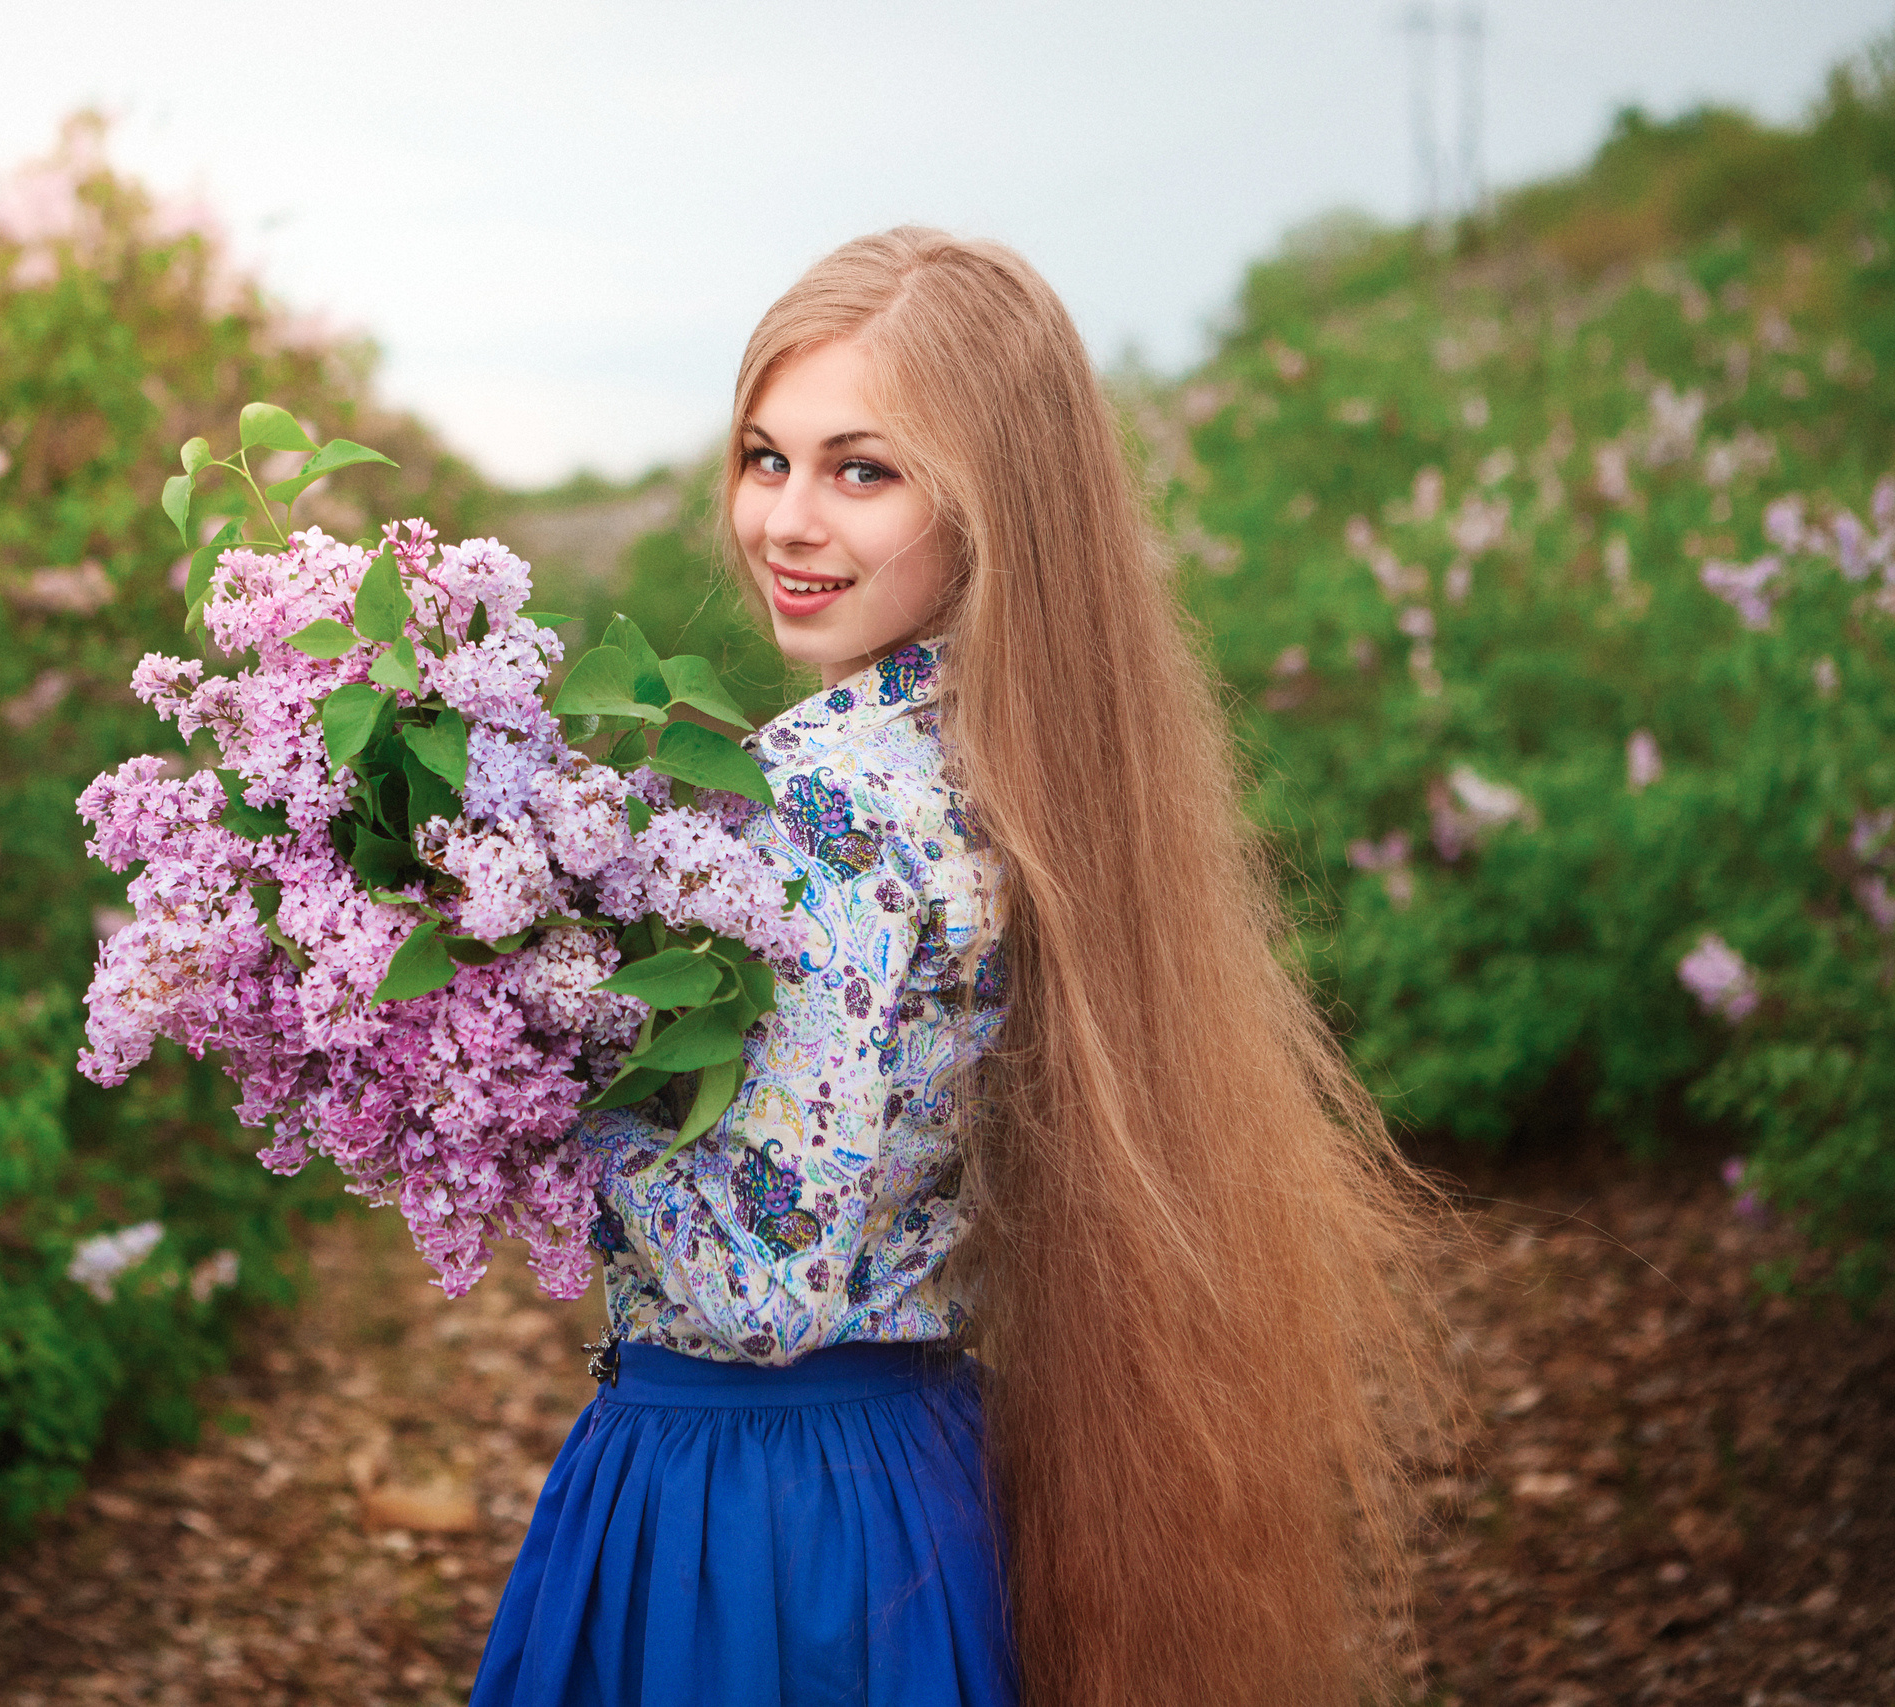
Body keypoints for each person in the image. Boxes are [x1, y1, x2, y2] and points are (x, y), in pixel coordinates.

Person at [470, 228, 1456, 1707]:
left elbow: (760, 1285)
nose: (787, 522)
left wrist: (510, 1068)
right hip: (919, 1477)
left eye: (864, 470)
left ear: (992, 504)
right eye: (765, 457)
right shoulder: (1023, 763)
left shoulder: (821, 797)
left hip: (760, 1521)